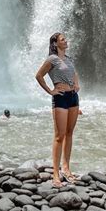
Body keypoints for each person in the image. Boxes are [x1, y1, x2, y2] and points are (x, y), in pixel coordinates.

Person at [35, 32, 80, 188]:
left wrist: (76, 84)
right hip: (60, 98)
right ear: (55, 44)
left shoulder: (69, 59)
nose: (66, 41)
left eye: (66, 39)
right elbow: (39, 75)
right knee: (59, 136)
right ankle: (56, 174)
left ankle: (66, 168)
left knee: (69, 133)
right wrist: (50, 91)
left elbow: (74, 73)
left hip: (73, 98)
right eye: (63, 39)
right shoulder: (52, 59)